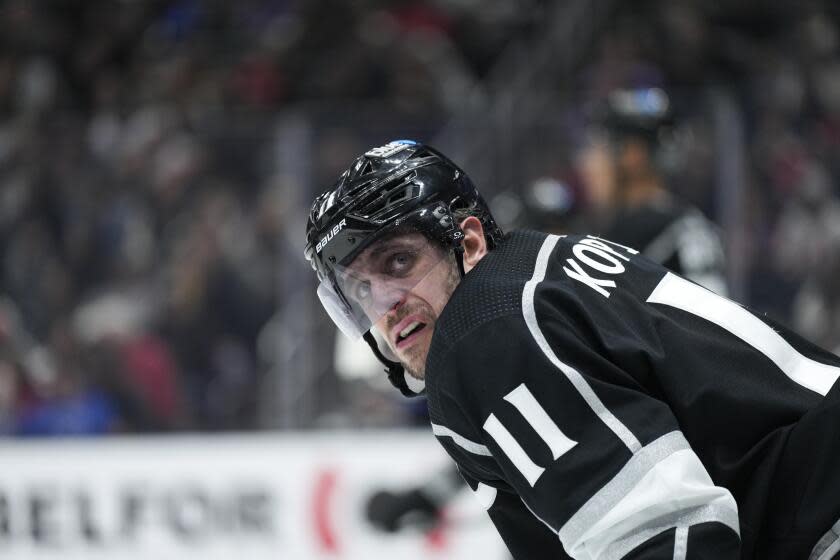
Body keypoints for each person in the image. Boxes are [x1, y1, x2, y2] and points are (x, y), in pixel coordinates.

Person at [304, 139, 840, 559]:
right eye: (363, 289)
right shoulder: (531, 276)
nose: (388, 303)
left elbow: (668, 533)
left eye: (399, 262)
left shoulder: (480, 329)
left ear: (467, 243)